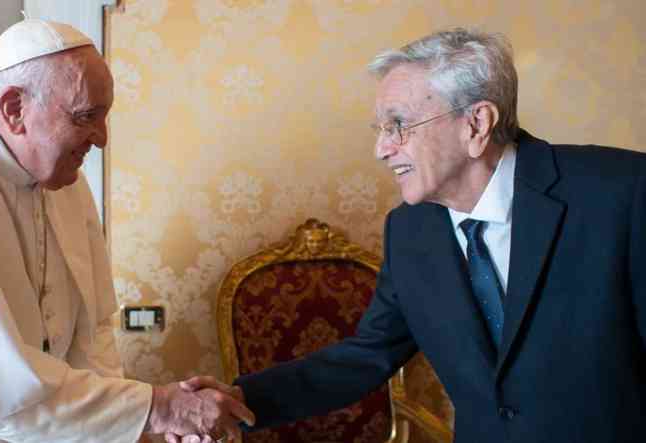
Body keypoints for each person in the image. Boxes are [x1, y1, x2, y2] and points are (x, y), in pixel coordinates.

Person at [179, 28, 646, 442]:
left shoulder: (622, 194)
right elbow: (365, 357)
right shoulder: (410, 230)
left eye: (398, 125)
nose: (382, 149)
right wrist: (237, 402)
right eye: (381, 129)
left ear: (476, 124)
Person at [0, 19, 252, 443]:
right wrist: (155, 409)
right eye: (86, 117)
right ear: (14, 109)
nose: (101, 139)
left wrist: (125, 427)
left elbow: (93, 329)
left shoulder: (61, 171)